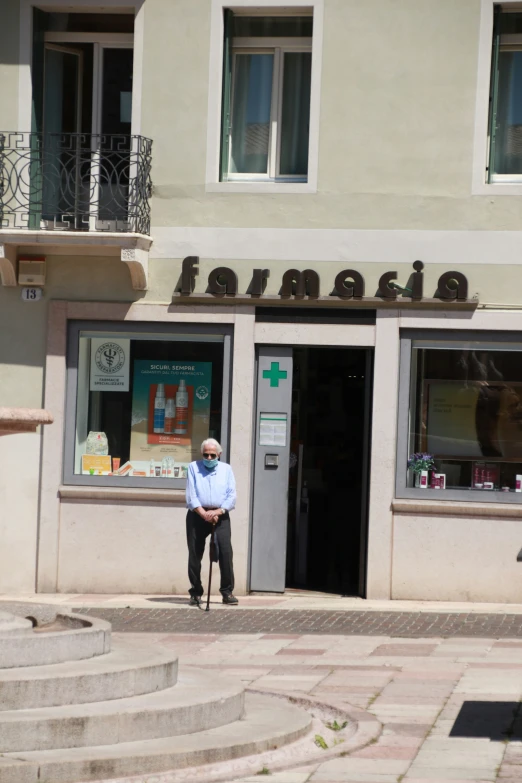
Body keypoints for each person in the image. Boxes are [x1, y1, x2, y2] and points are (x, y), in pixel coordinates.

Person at [185, 438, 237, 606]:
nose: (208, 458)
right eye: (206, 455)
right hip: (197, 515)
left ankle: (227, 592)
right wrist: (204, 513)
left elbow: (231, 495)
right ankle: (195, 592)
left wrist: (218, 511)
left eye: (212, 455)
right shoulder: (193, 467)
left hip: (220, 514)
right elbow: (191, 495)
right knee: (195, 554)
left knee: (225, 553)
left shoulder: (226, 469)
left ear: (219, 454)